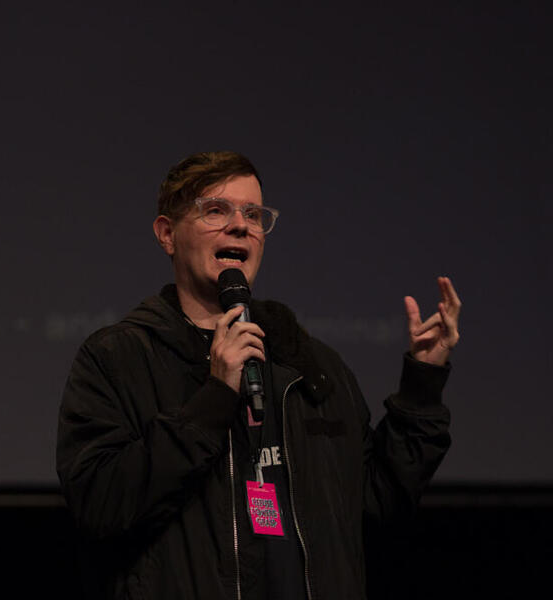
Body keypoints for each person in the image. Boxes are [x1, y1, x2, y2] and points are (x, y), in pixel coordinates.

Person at [56, 151, 461, 600]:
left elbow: (375, 503)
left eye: (253, 213)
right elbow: (100, 503)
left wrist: (423, 382)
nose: (240, 225)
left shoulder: (309, 364)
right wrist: (212, 400)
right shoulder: (119, 358)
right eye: (215, 210)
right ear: (167, 234)